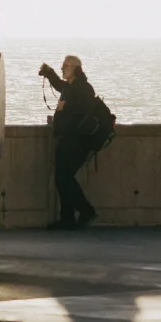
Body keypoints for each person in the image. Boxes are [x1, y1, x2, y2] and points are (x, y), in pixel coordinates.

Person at [38, 55, 99, 229]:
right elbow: (59, 85)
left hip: (77, 141)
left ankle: (84, 211)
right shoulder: (70, 86)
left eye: (66, 66)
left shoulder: (84, 88)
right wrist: (48, 73)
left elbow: (84, 110)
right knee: (62, 178)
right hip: (68, 140)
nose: (63, 68)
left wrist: (66, 109)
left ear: (75, 68)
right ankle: (68, 218)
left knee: (63, 178)